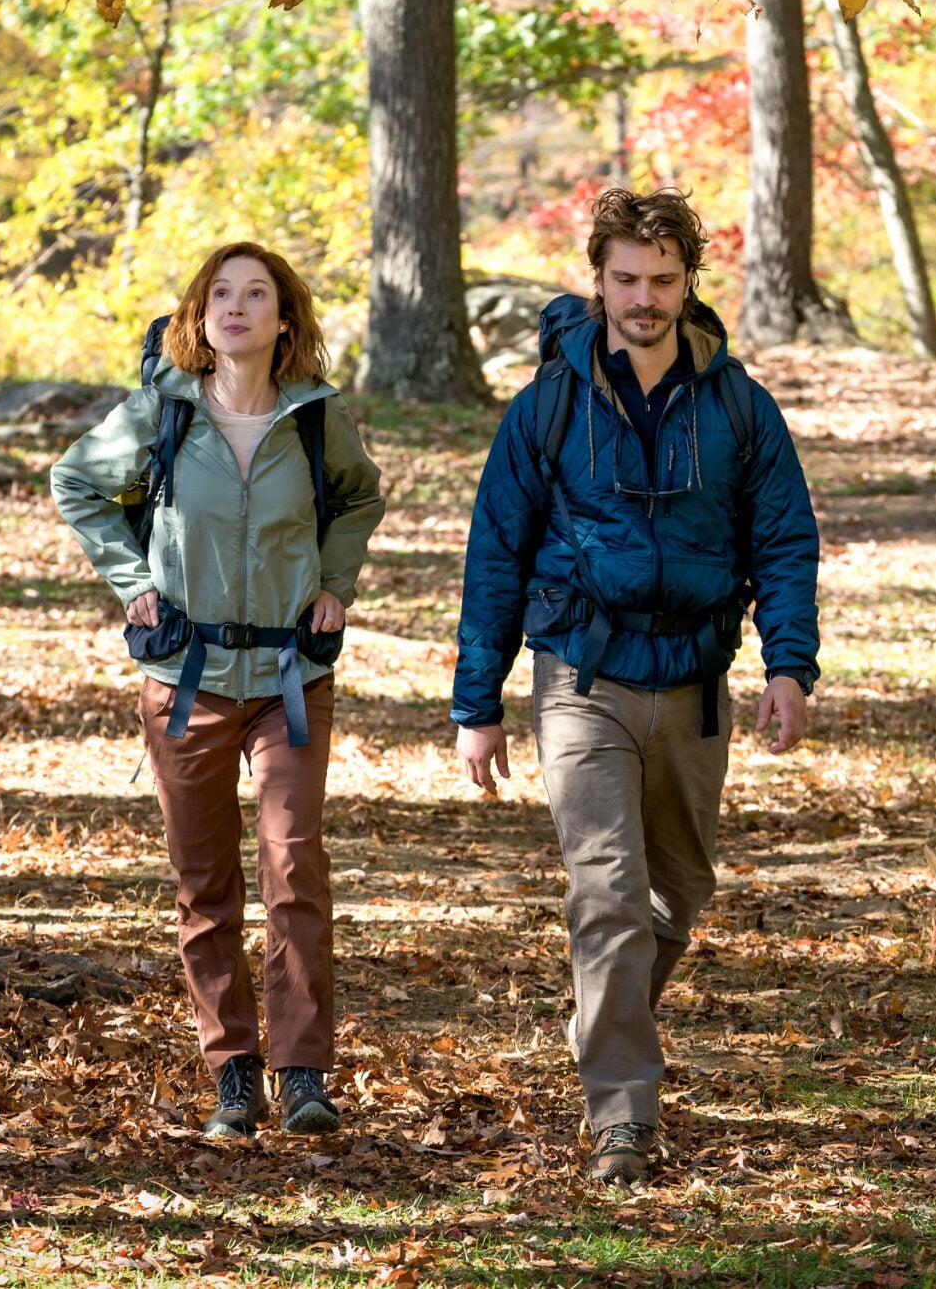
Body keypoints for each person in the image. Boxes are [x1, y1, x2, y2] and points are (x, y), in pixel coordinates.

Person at [451, 187, 820, 1188]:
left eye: (662, 281)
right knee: (605, 896)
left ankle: (599, 1017)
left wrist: (789, 663)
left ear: (689, 281)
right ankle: (622, 1115)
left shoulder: (737, 403)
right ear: (597, 278)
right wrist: (475, 703)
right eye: (625, 279)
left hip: (696, 680)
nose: (643, 299)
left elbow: (784, 539)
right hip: (580, 675)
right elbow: (497, 551)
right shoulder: (550, 403)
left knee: (677, 892)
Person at [53, 243, 385, 1140]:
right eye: (221, 295)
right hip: (186, 678)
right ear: (200, 317)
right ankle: (233, 1070)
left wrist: (336, 582)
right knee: (205, 884)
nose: (236, 308)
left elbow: (358, 499)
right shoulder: (161, 413)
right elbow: (76, 482)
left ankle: (304, 1071)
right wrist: (130, 578)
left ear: (285, 320)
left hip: (291, 677)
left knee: (293, 862)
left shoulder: (317, 419)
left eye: (257, 295)